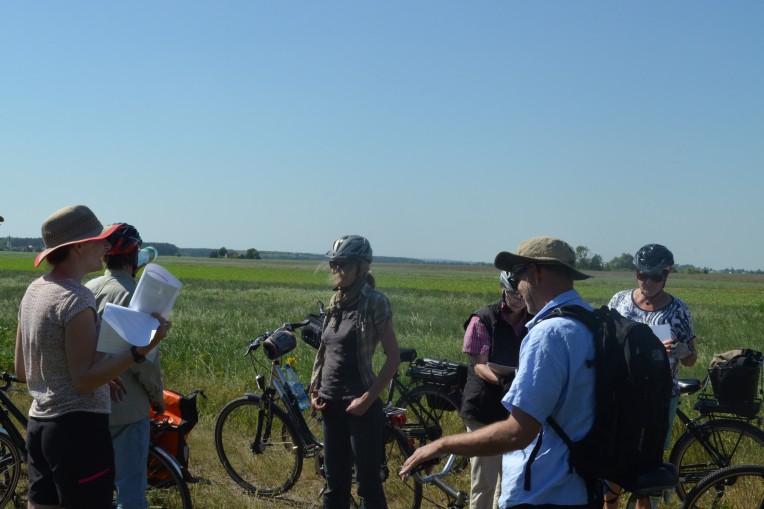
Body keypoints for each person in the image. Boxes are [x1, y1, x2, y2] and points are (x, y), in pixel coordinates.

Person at [400, 236, 596, 509]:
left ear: (535, 272)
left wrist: (443, 445)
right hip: (582, 487)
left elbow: (518, 433)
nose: (518, 288)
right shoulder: (591, 322)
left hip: (542, 491)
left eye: (518, 275)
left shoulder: (548, 333)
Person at [14, 205, 171, 509]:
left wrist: (103, 372)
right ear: (79, 247)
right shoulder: (76, 297)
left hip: (39, 426)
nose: (106, 247)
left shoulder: (34, 291)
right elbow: (83, 381)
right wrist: (140, 350)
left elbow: (23, 369)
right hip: (78, 433)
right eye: (100, 240)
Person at [309, 235, 401, 509]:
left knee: (367, 487)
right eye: (333, 264)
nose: (336, 270)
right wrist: (315, 387)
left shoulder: (375, 302)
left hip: (360, 407)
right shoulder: (337, 300)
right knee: (334, 484)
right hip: (330, 404)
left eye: (343, 264)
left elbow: (393, 357)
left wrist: (367, 400)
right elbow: (325, 349)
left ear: (363, 267)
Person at [604, 243, 696, 509]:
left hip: (660, 396)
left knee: (649, 461)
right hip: (622, 393)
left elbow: (692, 358)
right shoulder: (619, 301)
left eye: (655, 276)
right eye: (642, 275)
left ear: (666, 275)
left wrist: (681, 351)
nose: (648, 281)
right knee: (614, 458)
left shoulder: (678, 310)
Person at [85, 223, 166, 509]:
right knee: (130, 488)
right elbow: (143, 360)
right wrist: (157, 397)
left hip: (89, 402)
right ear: (134, 259)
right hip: (127, 406)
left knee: (94, 485)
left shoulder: (88, 288)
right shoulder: (137, 296)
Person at [460, 270, 529, 509]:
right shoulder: (483, 319)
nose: (518, 299)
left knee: (510, 481)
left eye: (521, 294)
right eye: (512, 294)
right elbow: (479, 365)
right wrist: (502, 382)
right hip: (485, 407)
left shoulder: (534, 320)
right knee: (484, 482)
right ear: (503, 291)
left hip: (514, 410)